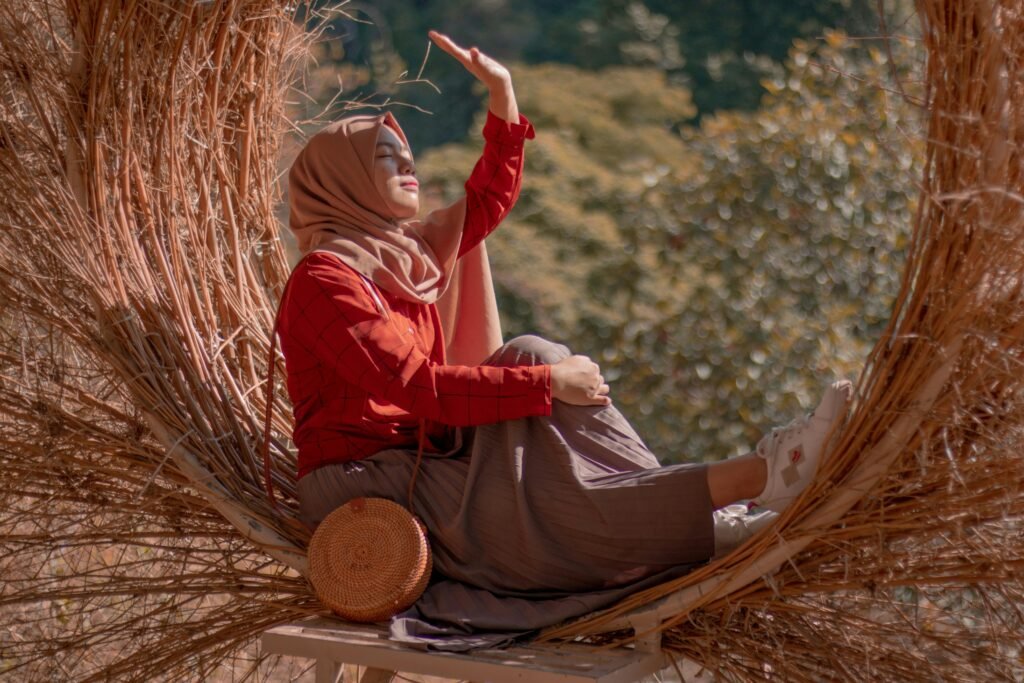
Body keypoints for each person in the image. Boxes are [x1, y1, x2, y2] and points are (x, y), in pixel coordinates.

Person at [275, 31, 852, 641]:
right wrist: (548, 385)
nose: (408, 165)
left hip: (429, 453)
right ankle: (762, 475)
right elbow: (417, 386)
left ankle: (712, 507)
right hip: (368, 482)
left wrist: (503, 94)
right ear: (342, 180)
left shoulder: (405, 256)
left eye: (407, 153)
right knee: (552, 494)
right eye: (386, 157)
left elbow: (486, 200)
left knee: (530, 351)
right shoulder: (323, 280)